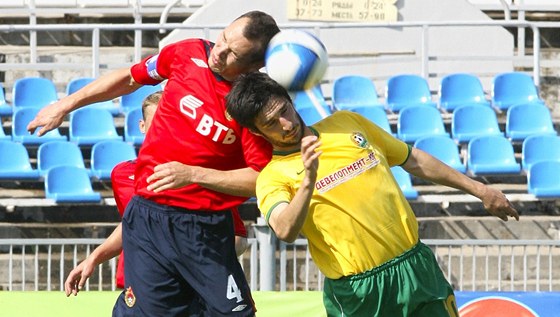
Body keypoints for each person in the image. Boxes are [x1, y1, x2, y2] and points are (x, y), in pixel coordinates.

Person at [28, 11, 280, 317]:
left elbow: (260, 178)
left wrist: (193, 175)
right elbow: (130, 78)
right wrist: (65, 105)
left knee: (234, 314)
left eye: (233, 53)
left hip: (204, 229)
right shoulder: (187, 52)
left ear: (255, 66)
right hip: (150, 217)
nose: (219, 52)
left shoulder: (250, 104)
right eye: (223, 38)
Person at [225, 71, 520, 317]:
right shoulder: (271, 178)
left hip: (415, 267)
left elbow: (412, 159)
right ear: (258, 133)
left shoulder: (347, 124)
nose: (286, 124)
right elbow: (285, 229)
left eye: (284, 111)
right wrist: (308, 180)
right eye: (271, 123)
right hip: (360, 291)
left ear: (290, 101)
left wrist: (480, 190)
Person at [64, 91, 251, 291]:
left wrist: (195, 263)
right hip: (142, 281)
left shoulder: (198, 174)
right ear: (142, 127)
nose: (164, 132)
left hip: (194, 286)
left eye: (171, 124)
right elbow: (133, 224)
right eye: (158, 125)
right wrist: (94, 258)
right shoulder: (122, 174)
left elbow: (238, 238)